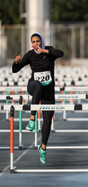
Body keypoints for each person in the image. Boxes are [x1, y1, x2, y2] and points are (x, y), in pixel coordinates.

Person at [12, 33, 64, 164]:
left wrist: (44, 51)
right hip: (34, 87)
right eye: (34, 41)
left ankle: (43, 148)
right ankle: (32, 119)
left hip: (48, 92)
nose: (36, 43)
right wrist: (16, 61)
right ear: (31, 43)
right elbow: (15, 70)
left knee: (47, 121)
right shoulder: (30, 54)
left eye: (38, 41)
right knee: (38, 85)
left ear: (42, 42)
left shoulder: (49, 51)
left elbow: (61, 53)